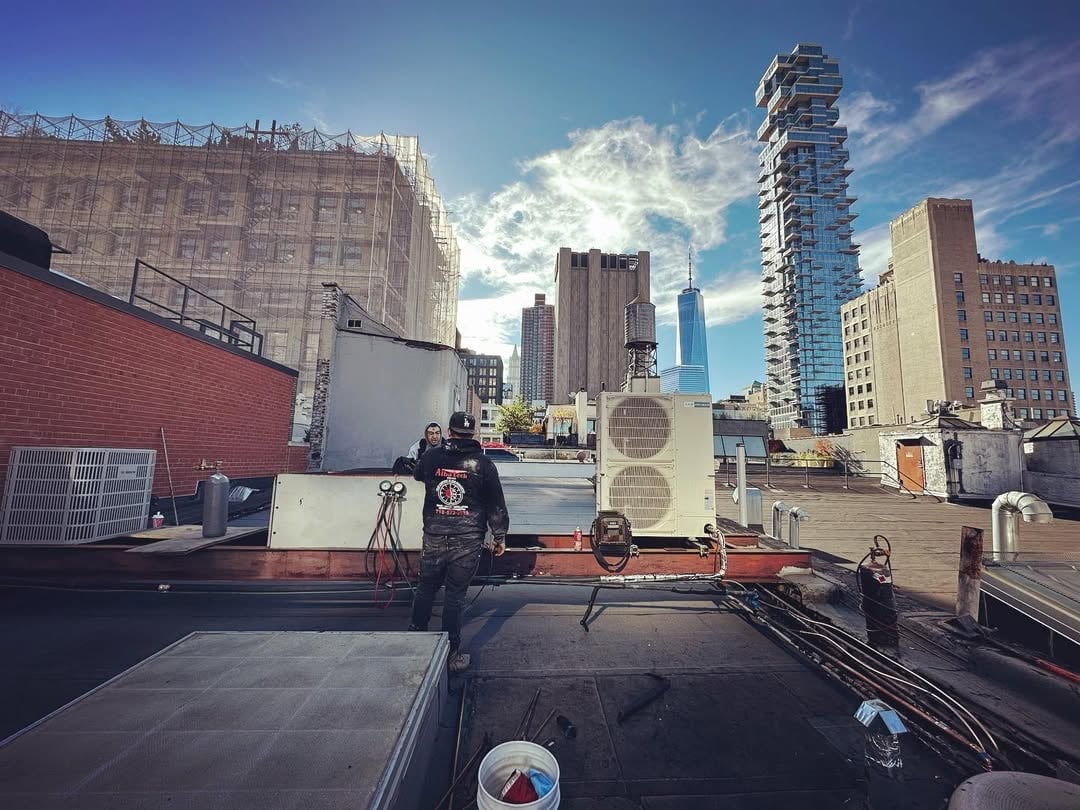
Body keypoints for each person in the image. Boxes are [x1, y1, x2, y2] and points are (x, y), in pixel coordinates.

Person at [410, 411, 509, 672]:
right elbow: (496, 504)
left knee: (426, 589)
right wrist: (499, 536)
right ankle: (452, 655)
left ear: (449, 432)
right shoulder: (483, 464)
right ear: (473, 434)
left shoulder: (432, 456)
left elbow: (418, 474)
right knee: (455, 596)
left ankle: (415, 644)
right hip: (468, 538)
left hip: (434, 533)